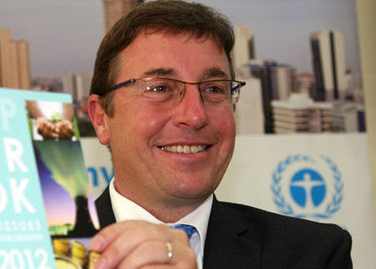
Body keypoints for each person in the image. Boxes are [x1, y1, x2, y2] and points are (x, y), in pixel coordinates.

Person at [86, 1, 353, 268]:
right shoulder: (50, 253)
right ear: (101, 120)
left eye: (213, 89)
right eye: (160, 88)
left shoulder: (314, 254)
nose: (195, 115)